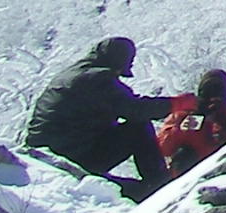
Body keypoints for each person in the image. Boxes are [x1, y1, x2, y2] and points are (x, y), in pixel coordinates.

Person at [22, 36, 173, 200]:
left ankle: (150, 188)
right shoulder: (97, 79)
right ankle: (161, 186)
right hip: (71, 158)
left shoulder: (72, 74)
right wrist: (176, 105)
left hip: (46, 155)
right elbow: (135, 109)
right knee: (138, 129)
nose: (118, 76)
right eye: (119, 72)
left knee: (132, 187)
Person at [156, 68, 226, 178]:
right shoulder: (182, 114)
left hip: (218, 173)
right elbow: (164, 149)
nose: (213, 98)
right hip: (185, 174)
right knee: (184, 155)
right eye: (209, 90)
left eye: (219, 91)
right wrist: (194, 119)